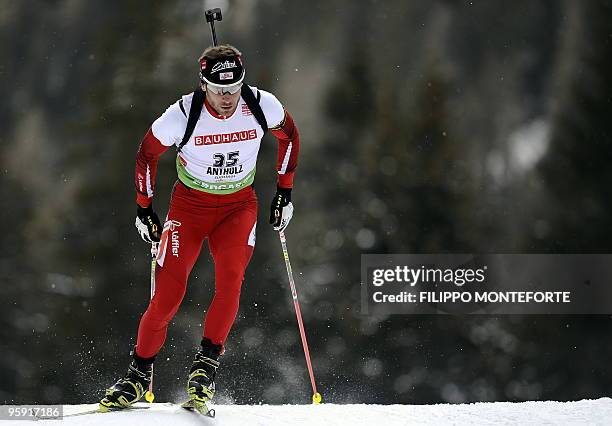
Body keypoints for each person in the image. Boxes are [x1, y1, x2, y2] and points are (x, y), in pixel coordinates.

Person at [99, 44, 300, 410]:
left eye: (234, 87)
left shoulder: (260, 104)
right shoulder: (182, 113)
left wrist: (284, 193)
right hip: (189, 208)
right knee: (168, 297)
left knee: (230, 282)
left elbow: (289, 135)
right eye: (218, 88)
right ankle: (137, 374)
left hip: (239, 207)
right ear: (203, 83)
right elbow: (147, 154)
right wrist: (144, 208)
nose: (227, 97)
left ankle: (204, 369)